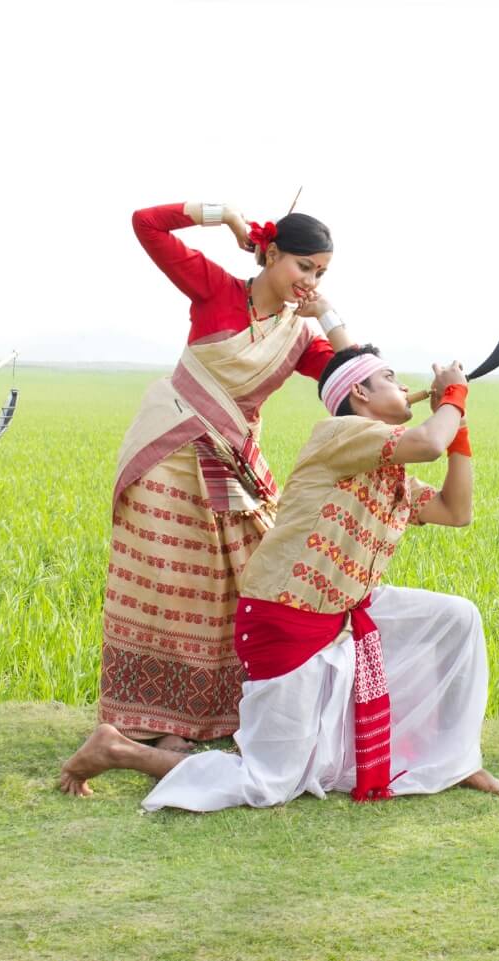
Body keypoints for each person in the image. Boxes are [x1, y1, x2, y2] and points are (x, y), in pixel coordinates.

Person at [61, 347, 499, 806]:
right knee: (268, 782)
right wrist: (453, 395)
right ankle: (117, 749)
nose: (401, 385)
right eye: (389, 378)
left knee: (457, 618)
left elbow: (457, 511)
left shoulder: (388, 468)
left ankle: (454, 759)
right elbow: (429, 444)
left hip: (347, 611)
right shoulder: (341, 434)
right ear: (359, 392)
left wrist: (461, 425)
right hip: (286, 619)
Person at [98, 201, 354, 751]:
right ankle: (153, 725)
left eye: (321, 273)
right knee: (173, 585)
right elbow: (145, 222)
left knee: (249, 580)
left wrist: (328, 314)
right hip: (169, 451)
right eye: (304, 267)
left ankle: (223, 717)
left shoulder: (299, 336)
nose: (309, 281)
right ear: (272, 253)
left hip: (234, 463)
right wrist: (226, 216)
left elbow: (352, 381)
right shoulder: (214, 288)